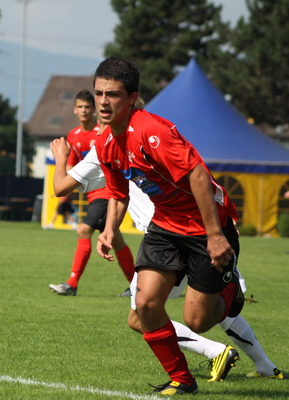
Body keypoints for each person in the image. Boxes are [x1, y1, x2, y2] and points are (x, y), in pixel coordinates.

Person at [51, 140, 285, 383]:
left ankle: (215, 351)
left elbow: (62, 186)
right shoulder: (148, 138)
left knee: (141, 317)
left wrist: (61, 157)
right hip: (193, 229)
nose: (101, 120)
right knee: (208, 308)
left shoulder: (107, 146)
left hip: (165, 238)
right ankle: (266, 366)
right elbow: (193, 172)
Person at [92, 57, 245, 394]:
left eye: (112, 94)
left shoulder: (151, 131)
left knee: (197, 321)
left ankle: (231, 292)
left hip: (206, 227)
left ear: (132, 98)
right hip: (164, 227)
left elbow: (198, 175)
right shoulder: (105, 144)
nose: (103, 101)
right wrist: (109, 230)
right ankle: (182, 380)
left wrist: (216, 235)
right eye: (99, 93)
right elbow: (118, 193)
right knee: (145, 305)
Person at [48, 90, 134, 297]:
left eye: (88, 107)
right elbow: (70, 172)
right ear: (74, 109)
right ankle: (136, 286)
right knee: (116, 240)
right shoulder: (73, 135)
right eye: (80, 107)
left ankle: (72, 283)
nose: (84, 110)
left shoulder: (103, 130)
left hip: (108, 193)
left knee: (84, 230)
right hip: (93, 195)